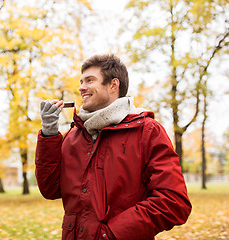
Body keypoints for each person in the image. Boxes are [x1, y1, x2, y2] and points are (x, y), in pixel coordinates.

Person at [35, 54, 191, 240]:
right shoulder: (73, 135)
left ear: (113, 85)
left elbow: (173, 202)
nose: (81, 87)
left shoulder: (147, 131)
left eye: (89, 80)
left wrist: (110, 234)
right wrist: (49, 134)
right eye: (81, 81)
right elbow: (50, 189)